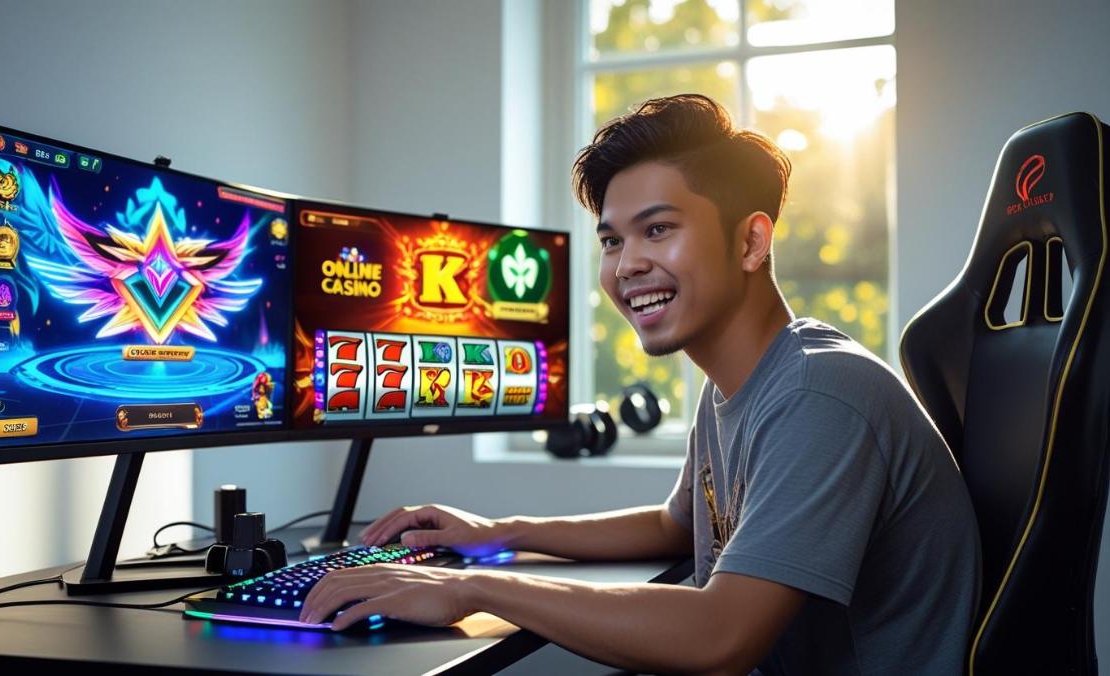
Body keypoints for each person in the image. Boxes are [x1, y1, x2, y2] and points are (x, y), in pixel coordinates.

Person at [299, 94, 981, 675]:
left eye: (657, 229)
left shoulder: (818, 395)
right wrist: (499, 532)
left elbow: (721, 638)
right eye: (612, 241)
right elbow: (672, 527)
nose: (626, 266)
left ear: (751, 242)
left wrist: (471, 590)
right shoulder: (737, 387)